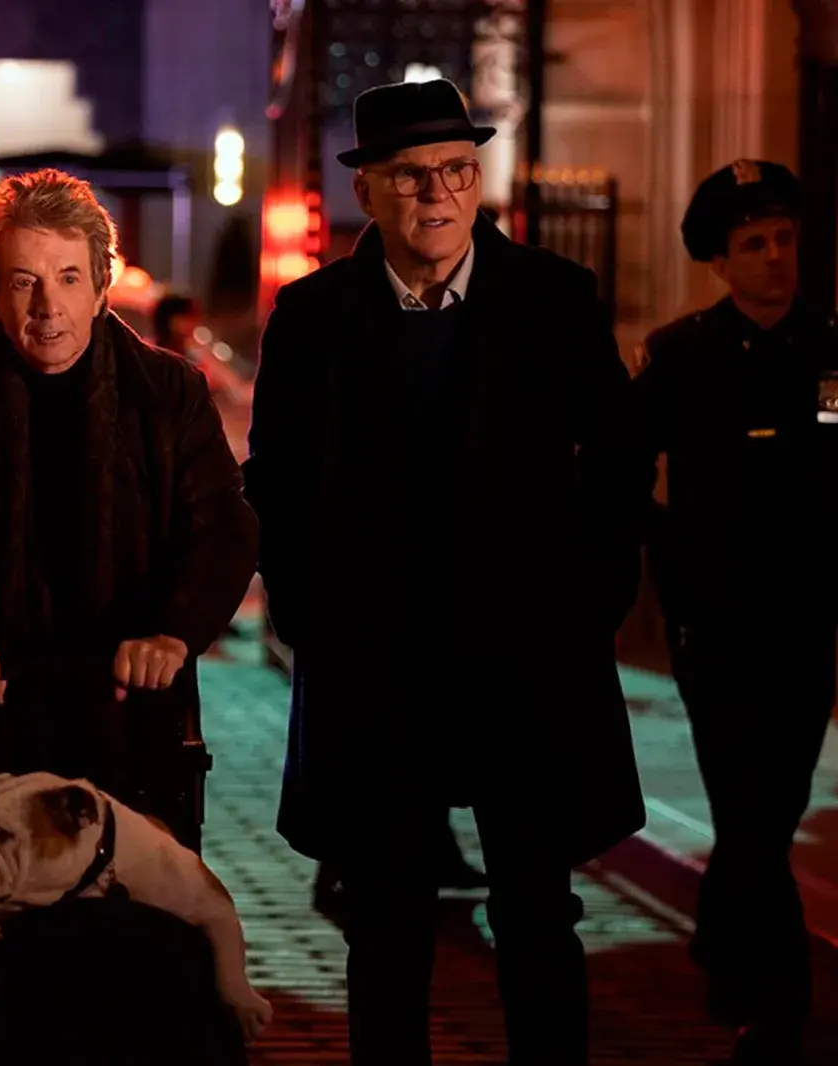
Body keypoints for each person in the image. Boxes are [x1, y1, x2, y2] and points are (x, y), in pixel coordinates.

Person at [244, 79, 651, 1065]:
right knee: (385, 919)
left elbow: (619, 458)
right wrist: (310, 620)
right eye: (411, 173)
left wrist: (591, 601)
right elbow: (276, 480)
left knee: (537, 910)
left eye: (457, 168)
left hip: (524, 664)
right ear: (369, 191)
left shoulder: (555, 300)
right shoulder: (312, 317)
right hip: (379, 672)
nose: (437, 192)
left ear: (480, 180)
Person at [0, 168, 259, 1001]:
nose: (47, 307)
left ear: (100, 282)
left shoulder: (168, 393)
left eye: (66, 279)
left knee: (142, 954)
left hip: (132, 708)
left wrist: (174, 630)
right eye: (22, 282)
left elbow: (223, 530)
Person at [634, 159, 838, 1065]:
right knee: (744, 804)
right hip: (714, 622)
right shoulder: (683, 356)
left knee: (770, 805)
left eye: (783, 239)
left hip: (801, 621)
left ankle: (726, 947)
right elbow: (623, 469)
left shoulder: (832, 354)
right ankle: (776, 999)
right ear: (720, 260)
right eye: (753, 244)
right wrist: (667, 559)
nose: (773, 259)